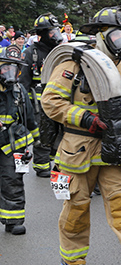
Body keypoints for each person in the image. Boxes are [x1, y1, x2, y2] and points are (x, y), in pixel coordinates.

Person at [41, 6, 121, 265]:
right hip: (79, 150)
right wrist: (85, 119)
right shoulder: (76, 63)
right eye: (116, 35)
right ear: (101, 35)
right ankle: (72, 258)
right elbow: (51, 101)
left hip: (117, 151)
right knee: (76, 206)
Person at [20, 14, 64, 178]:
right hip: (39, 104)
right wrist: (24, 104)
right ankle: (41, 165)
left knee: (61, 132)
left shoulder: (59, 52)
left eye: (56, 31)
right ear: (43, 34)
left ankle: (58, 162)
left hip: (60, 101)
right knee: (43, 133)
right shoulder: (32, 52)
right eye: (52, 32)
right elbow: (23, 80)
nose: (55, 35)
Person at [0, 46, 37, 235]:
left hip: (13, 143)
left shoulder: (20, 90)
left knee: (12, 181)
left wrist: (37, 141)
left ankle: (13, 220)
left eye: (14, 68)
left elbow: (29, 116)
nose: (9, 72)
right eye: (5, 68)